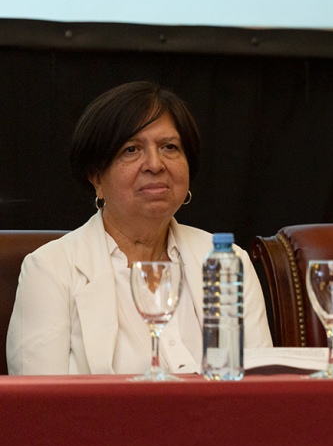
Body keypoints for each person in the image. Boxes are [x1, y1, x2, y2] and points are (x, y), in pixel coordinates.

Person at [7, 81, 272, 375]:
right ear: (96, 176)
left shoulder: (227, 261)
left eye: (169, 147)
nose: (155, 164)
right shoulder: (50, 270)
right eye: (131, 149)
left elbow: (259, 388)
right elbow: (40, 410)